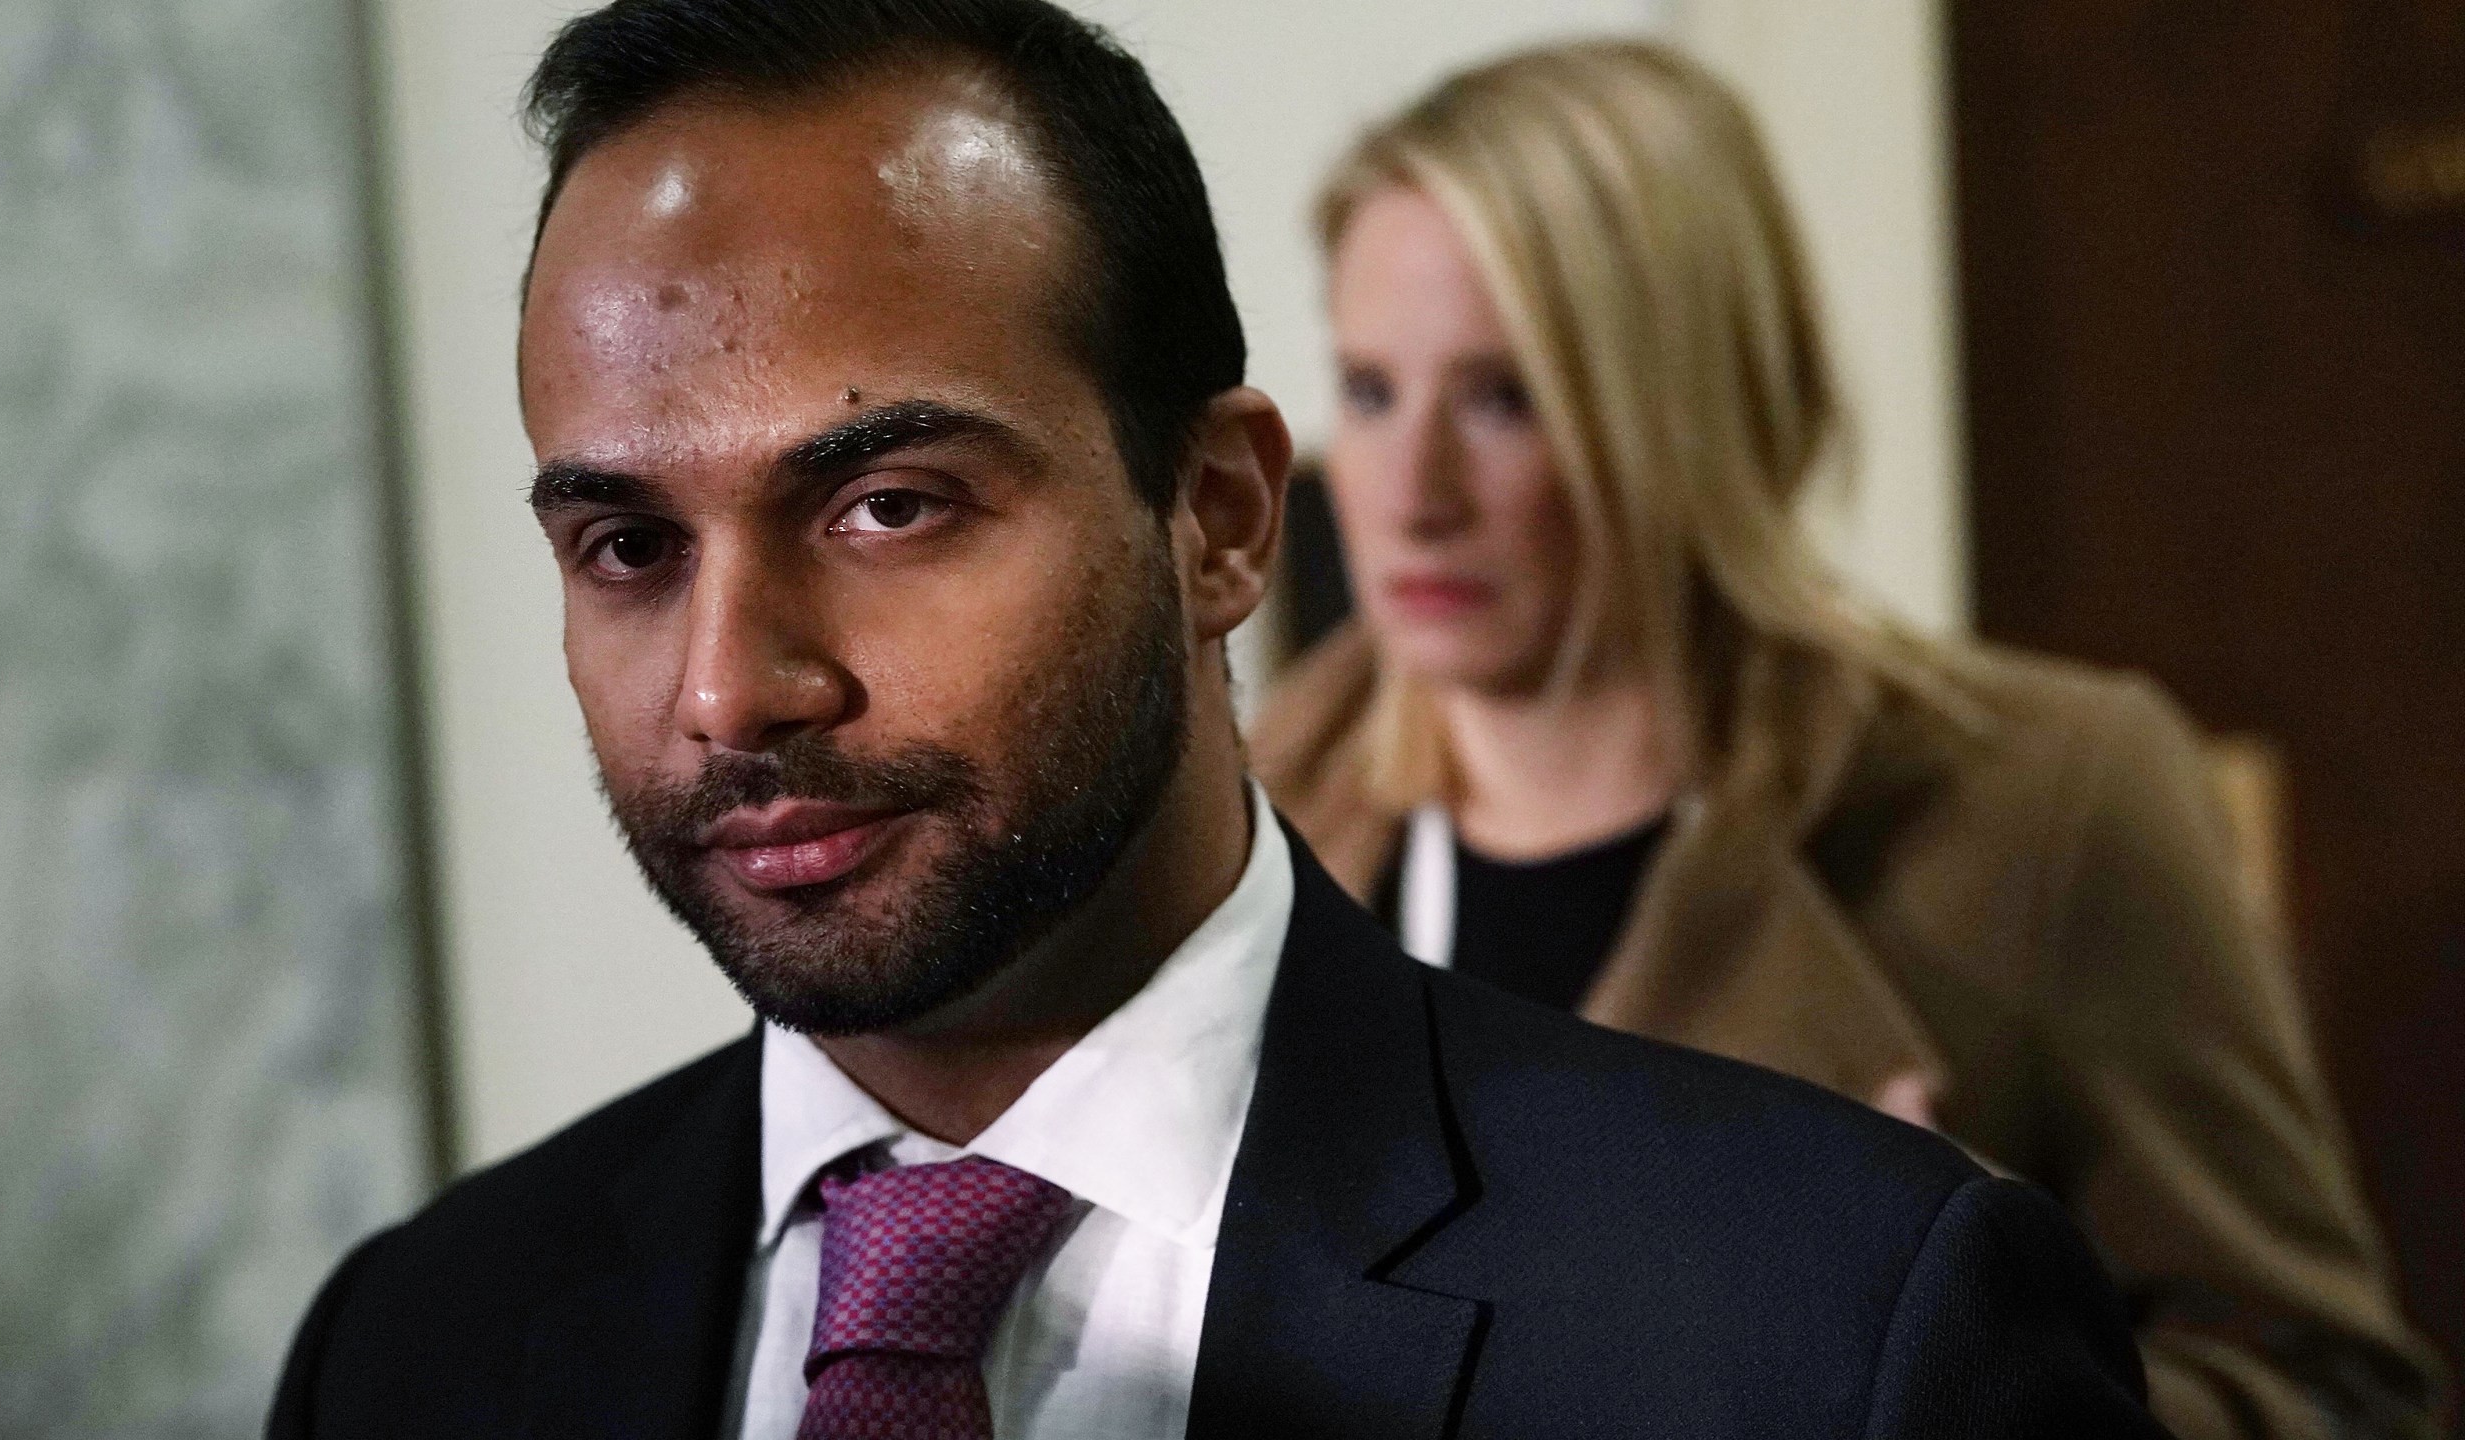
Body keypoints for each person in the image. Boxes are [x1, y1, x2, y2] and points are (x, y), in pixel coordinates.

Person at [266, 4, 2169, 1437]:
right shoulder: (414, 1347)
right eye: (623, 544)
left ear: (1223, 516)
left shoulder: (1825, 1326)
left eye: (889, 508)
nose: (728, 688)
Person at [1251, 39, 2444, 1440]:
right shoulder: (1252, 819)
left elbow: (2336, 1395)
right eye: (1373, 391)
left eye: (1506, 396)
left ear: (1687, 406)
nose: (1410, 495)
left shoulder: (2046, 801)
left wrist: (1947, 1359)